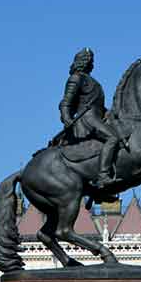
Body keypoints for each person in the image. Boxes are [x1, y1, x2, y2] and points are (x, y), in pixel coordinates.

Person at [59, 48, 120, 189]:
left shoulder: (93, 81)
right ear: (84, 62)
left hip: (97, 117)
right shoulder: (76, 78)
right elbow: (65, 102)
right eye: (90, 60)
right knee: (112, 138)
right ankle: (103, 176)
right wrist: (67, 118)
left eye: (92, 60)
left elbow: (97, 105)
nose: (92, 63)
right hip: (86, 119)